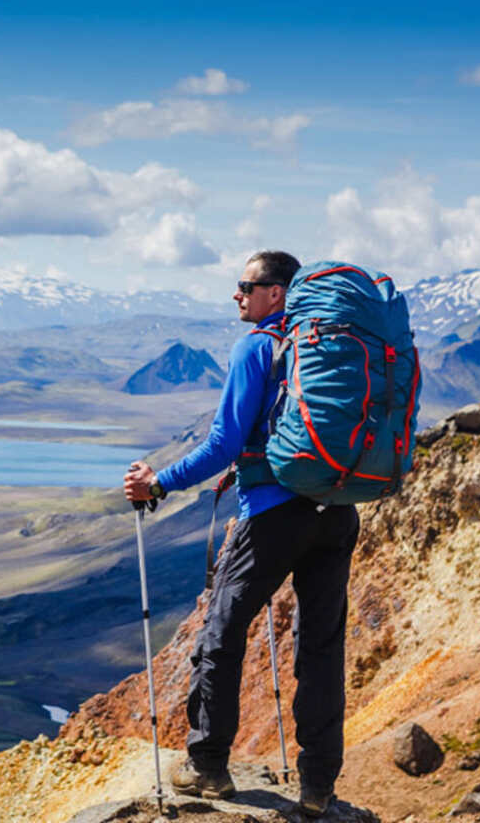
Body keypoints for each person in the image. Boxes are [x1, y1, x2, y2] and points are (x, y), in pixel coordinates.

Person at [123, 251, 359, 818]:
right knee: (321, 649)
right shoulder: (332, 345)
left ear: (277, 292)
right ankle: (318, 785)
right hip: (338, 511)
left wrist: (159, 482)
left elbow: (223, 441)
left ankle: (207, 767)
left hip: (275, 514)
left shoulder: (258, 347)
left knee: (222, 635)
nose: (237, 295)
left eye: (245, 286)